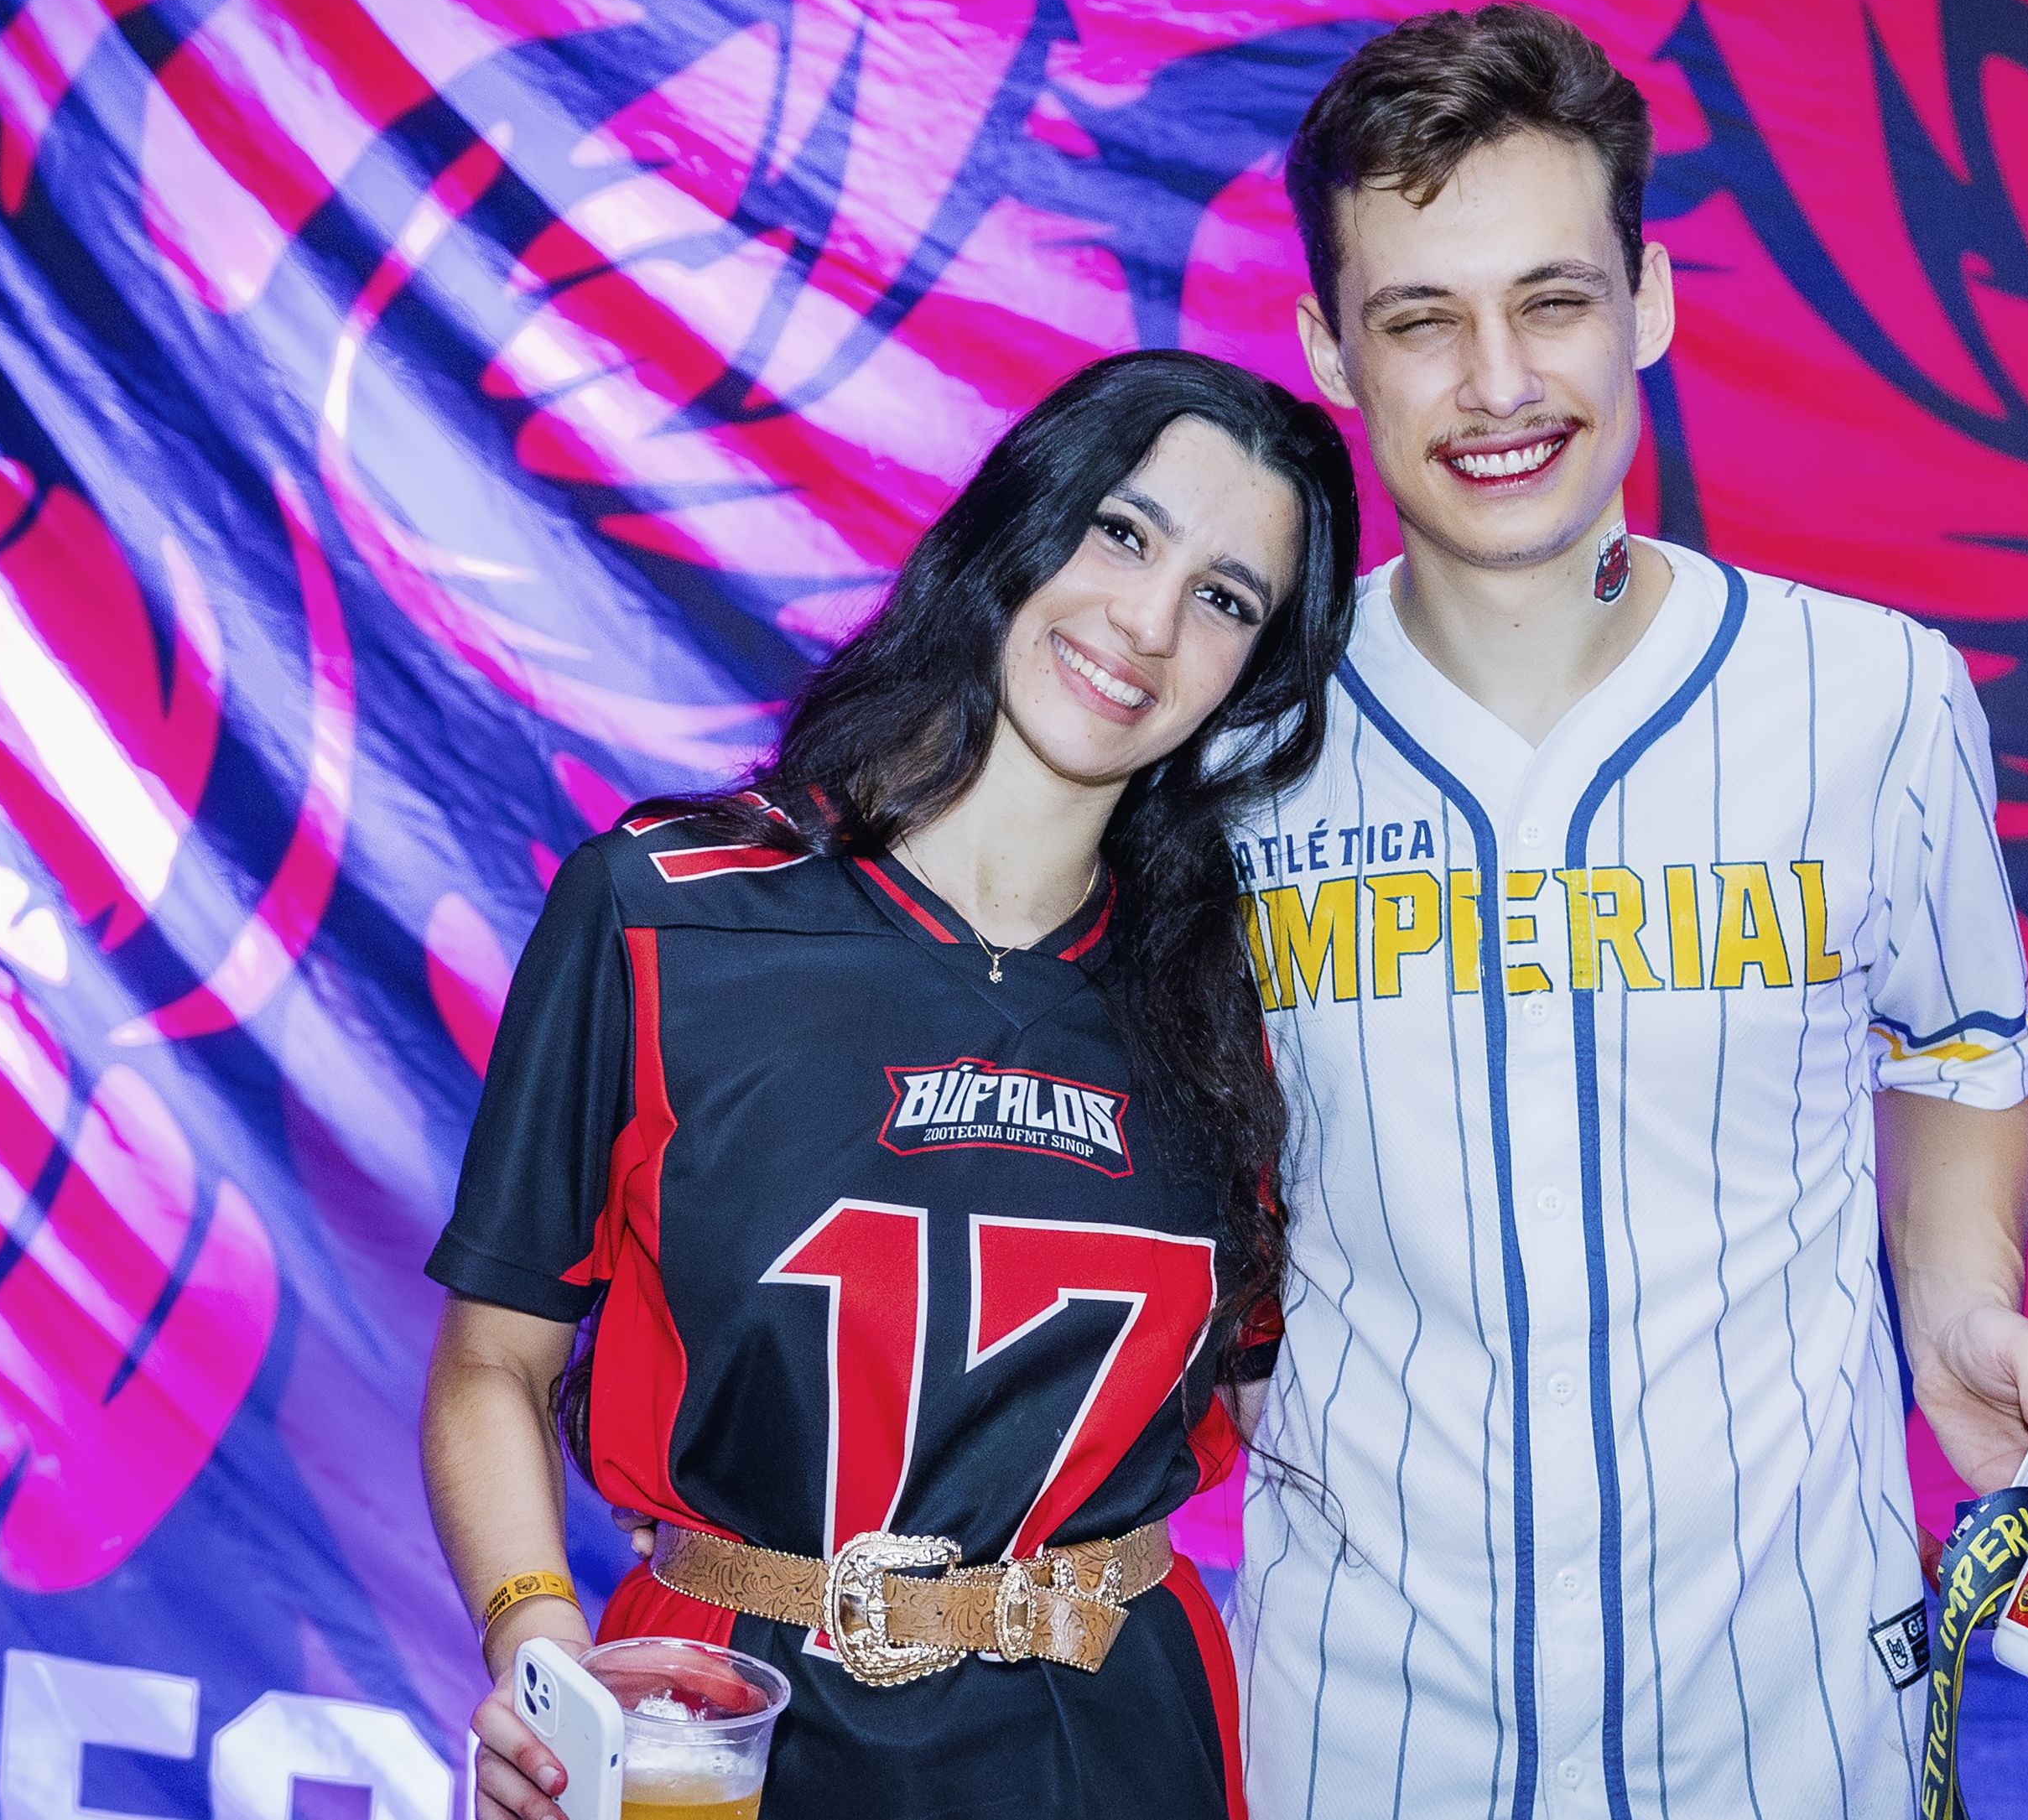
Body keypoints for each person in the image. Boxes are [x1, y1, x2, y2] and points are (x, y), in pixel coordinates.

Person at [1231, 4, 2028, 1817]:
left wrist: (1963, 1302)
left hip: (1789, 1701)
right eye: (1421, 319)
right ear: (1328, 347)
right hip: (1369, 1710)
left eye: (1553, 299)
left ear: (1651, 299)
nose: (1499, 383)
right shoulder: (1229, 749)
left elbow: (1962, 1049)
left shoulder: (1874, 696)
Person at [420, 350, 1360, 1820]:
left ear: (1259, 672)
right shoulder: (664, 910)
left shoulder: (1243, 1003)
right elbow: (494, 1360)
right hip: (715, 1731)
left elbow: (1335, 1385)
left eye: (1227, 599)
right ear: (1017, 522)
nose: (1149, 621)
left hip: (1114, 1752)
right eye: (1122, 531)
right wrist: (534, 1633)